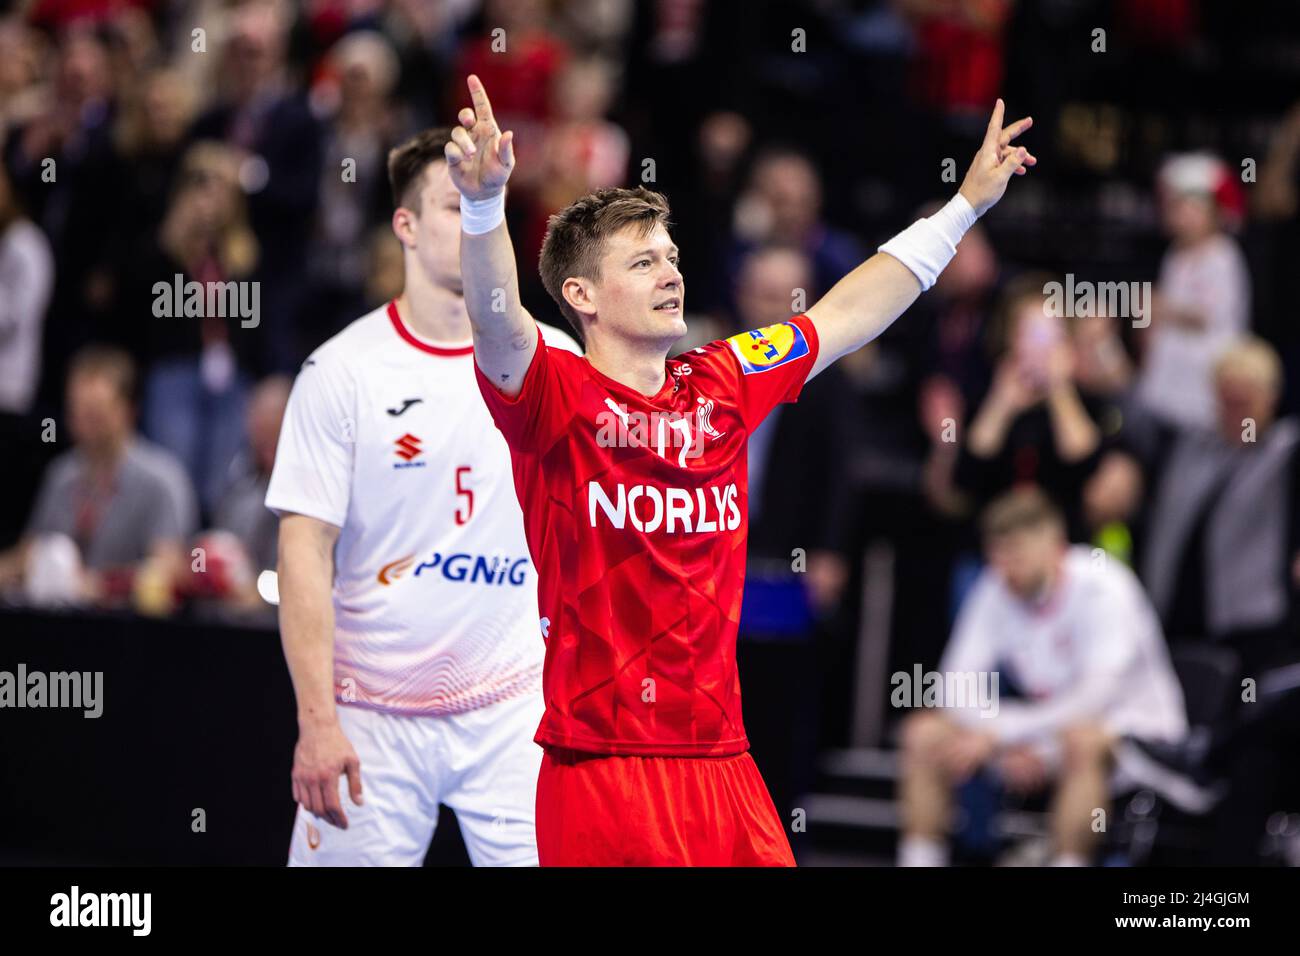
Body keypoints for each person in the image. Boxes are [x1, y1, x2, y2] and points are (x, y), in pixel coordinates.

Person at [446, 73, 1035, 865]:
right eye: (644, 261)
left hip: (724, 762)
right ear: (581, 294)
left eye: (672, 256)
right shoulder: (555, 396)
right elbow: (495, 322)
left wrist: (962, 209)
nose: (671, 273)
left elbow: (845, 313)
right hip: (603, 767)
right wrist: (484, 209)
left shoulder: (722, 380)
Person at [266, 127, 579, 867]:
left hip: (515, 709)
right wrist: (317, 722)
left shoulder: (558, 364)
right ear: (403, 226)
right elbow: (303, 551)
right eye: (455, 204)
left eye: (489, 205)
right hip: (369, 711)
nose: (477, 221)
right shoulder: (340, 371)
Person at [896, 488, 1187, 868]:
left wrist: (1002, 735)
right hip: (1037, 732)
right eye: (996, 555)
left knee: (1082, 742)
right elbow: (954, 683)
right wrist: (1001, 738)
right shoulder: (995, 585)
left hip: (1135, 736)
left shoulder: (1105, 587)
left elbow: (1094, 699)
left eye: (1016, 554)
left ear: (1054, 545)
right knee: (923, 733)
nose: (1004, 569)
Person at [0, 345, 196, 609]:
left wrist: (99, 585)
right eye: (76, 413)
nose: (83, 425)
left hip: (131, 632)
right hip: (59, 626)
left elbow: (170, 568)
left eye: (96, 414)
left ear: (128, 410)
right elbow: (29, 552)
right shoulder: (61, 474)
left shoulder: (161, 480)